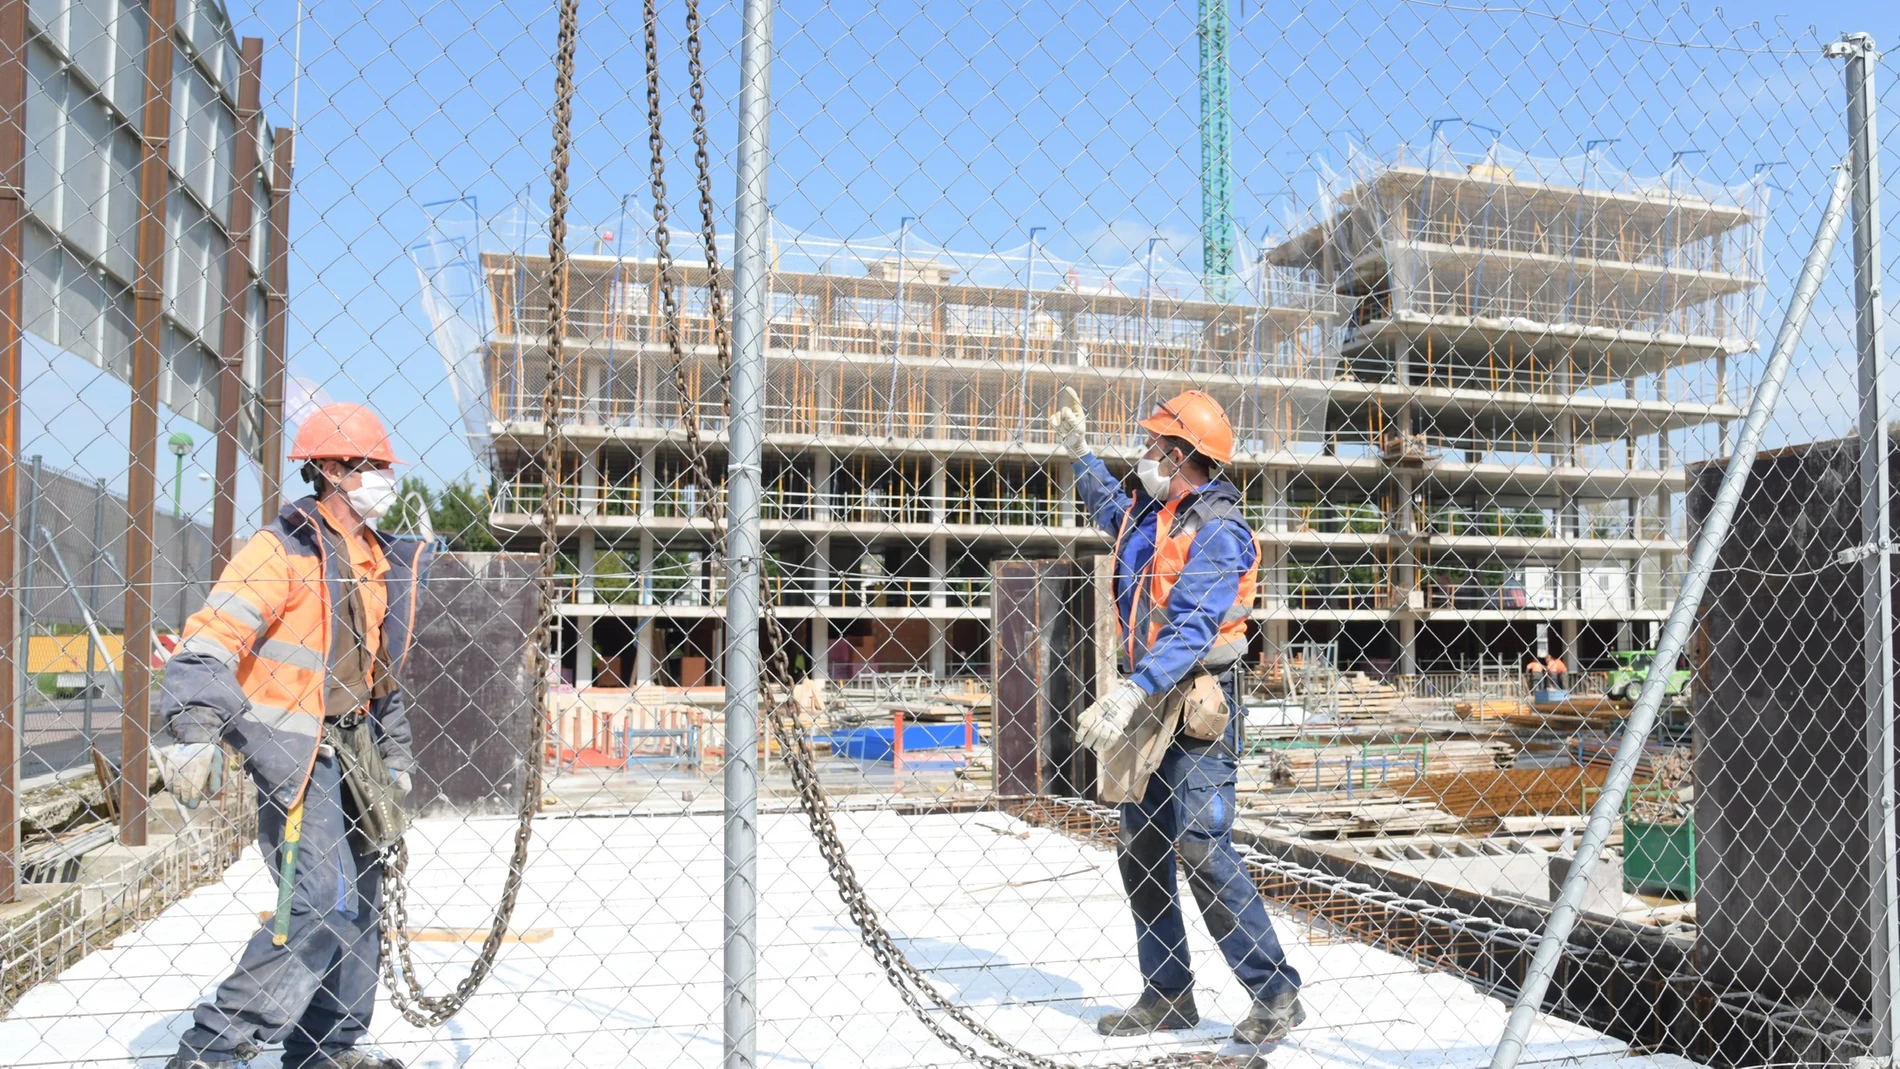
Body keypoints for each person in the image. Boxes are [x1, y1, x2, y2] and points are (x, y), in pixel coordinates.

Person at [155, 403, 432, 1069]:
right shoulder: (278, 552)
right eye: (374, 467)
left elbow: (378, 675)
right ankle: (209, 1049)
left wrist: (393, 754)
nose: (385, 479)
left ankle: (324, 1048)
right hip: (299, 757)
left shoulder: (374, 560)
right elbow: (208, 640)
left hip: (354, 749)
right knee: (318, 904)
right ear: (332, 469)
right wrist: (193, 729)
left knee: (360, 903)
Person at [1051, 387, 1305, 1045]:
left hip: (1196, 702)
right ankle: (1168, 992)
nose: (1142, 454)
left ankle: (1275, 989)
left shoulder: (1219, 529)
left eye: (1151, 446)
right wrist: (1081, 456)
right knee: (1141, 846)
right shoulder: (1151, 513)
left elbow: (1193, 626)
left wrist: (1131, 691)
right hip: (1149, 694)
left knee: (1200, 842)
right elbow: (1111, 507)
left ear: (1178, 453)